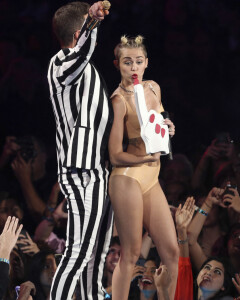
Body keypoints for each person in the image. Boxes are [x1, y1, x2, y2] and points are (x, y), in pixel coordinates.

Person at [47, 2, 113, 299]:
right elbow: (84, 52)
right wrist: (94, 23)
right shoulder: (62, 65)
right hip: (83, 168)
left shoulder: (78, 67)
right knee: (79, 252)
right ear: (79, 32)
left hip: (98, 167)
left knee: (95, 253)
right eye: (85, 27)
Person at [108, 35, 178, 300]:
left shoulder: (153, 88)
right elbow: (115, 154)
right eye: (127, 63)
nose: (133, 67)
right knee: (131, 254)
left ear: (146, 63)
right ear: (118, 65)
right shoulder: (118, 100)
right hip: (128, 177)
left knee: (171, 251)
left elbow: (157, 123)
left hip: (151, 176)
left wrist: (168, 126)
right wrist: (142, 161)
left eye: (138, 62)